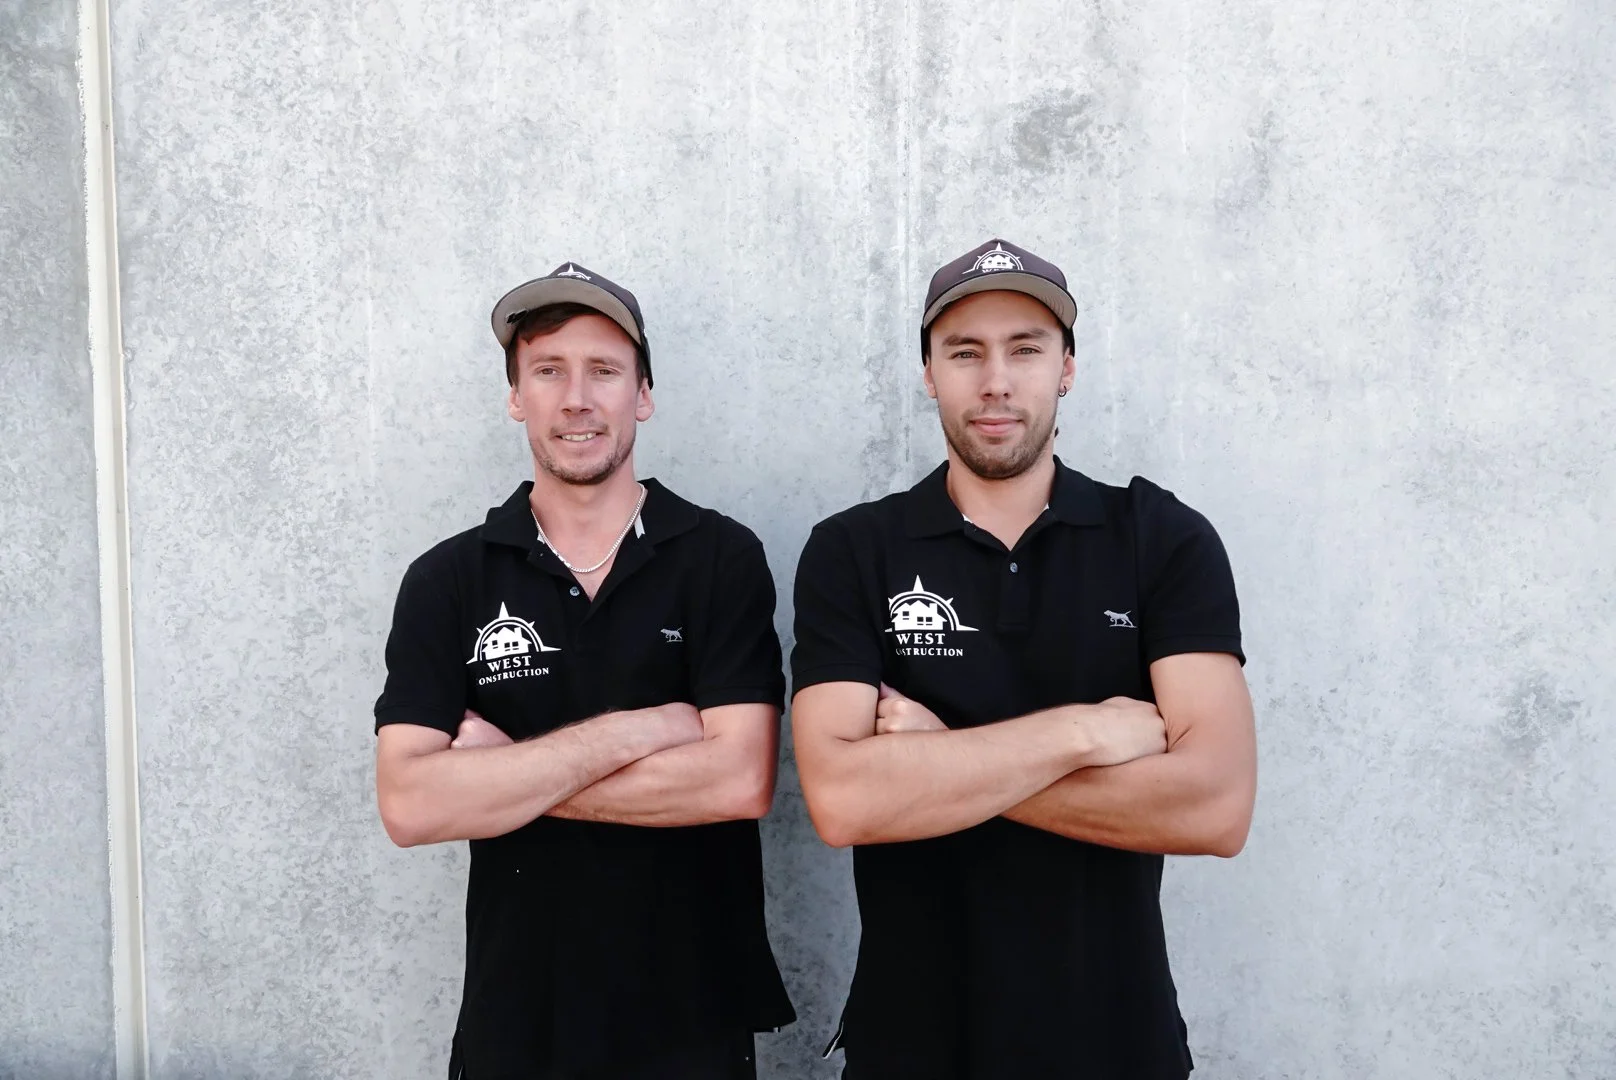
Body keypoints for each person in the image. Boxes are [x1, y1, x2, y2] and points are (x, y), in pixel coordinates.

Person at [789, 238, 1256, 1079]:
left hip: (1117, 1041)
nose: (995, 381)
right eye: (965, 353)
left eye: (1026, 349)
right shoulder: (854, 551)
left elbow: (1214, 809)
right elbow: (843, 801)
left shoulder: (1160, 541)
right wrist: (1082, 733)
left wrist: (934, 760)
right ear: (929, 373)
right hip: (913, 1045)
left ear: (1067, 367)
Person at [373, 262, 794, 1079]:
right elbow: (411, 803)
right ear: (515, 396)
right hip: (516, 1018)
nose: (576, 397)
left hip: (692, 1018)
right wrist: (646, 729)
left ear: (643, 394)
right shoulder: (450, 578)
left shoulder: (718, 559)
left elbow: (739, 781)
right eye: (548, 371)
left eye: (604, 370)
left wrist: (504, 779)